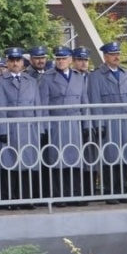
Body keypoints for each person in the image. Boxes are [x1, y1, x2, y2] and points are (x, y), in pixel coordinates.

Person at [87, 41, 127, 204]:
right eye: (113, 54)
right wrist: (98, 124)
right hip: (109, 121)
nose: (117, 57)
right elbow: (95, 101)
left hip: (126, 120)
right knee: (110, 156)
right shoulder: (96, 76)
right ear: (105, 56)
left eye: (118, 54)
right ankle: (110, 191)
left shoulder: (126, 74)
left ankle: (123, 189)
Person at [0, 47, 42, 209]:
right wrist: (2, 130)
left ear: (22, 63)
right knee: (9, 165)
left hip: (29, 128)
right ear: (7, 62)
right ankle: (10, 199)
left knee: (28, 164)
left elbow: (37, 106)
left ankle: (26, 198)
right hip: (11, 128)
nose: (15, 63)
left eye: (18, 60)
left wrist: (40, 129)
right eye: (12, 60)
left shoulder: (31, 81)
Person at [39, 46, 89, 206]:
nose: (60, 61)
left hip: (74, 122)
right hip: (56, 123)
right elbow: (43, 104)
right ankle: (59, 195)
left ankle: (76, 194)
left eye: (63, 59)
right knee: (57, 160)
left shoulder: (78, 77)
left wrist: (87, 124)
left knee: (75, 159)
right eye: (58, 59)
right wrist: (45, 127)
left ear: (70, 60)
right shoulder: (47, 78)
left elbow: (84, 102)